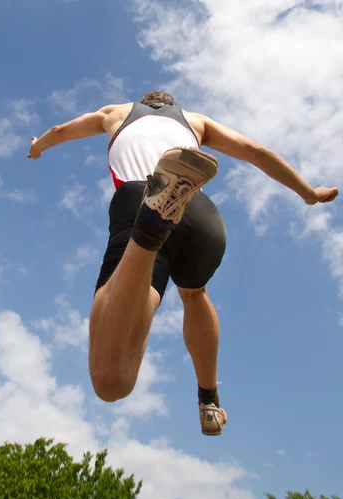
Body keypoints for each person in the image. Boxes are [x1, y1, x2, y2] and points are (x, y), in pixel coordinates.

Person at [28, 91, 339, 436]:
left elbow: (59, 130)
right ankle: (209, 398)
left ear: (144, 102)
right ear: (172, 106)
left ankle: (152, 223)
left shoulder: (115, 113)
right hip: (203, 216)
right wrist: (309, 193)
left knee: (110, 382)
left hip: (139, 196)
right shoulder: (196, 121)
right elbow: (256, 152)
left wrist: (37, 147)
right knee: (194, 294)